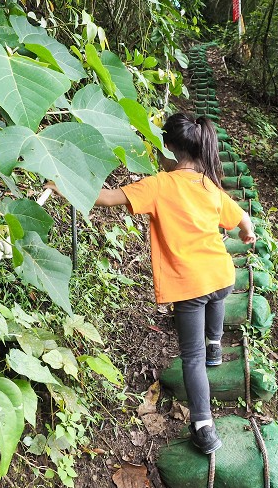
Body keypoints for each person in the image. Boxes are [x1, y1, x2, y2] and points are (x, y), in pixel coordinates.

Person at [62, 113, 256, 454]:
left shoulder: (159, 185)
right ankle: (215, 343)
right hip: (222, 275)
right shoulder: (209, 184)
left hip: (190, 284)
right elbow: (239, 214)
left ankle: (204, 427)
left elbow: (108, 198)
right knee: (218, 299)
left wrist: (62, 181)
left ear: (167, 149)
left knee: (191, 359)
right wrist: (246, 230)